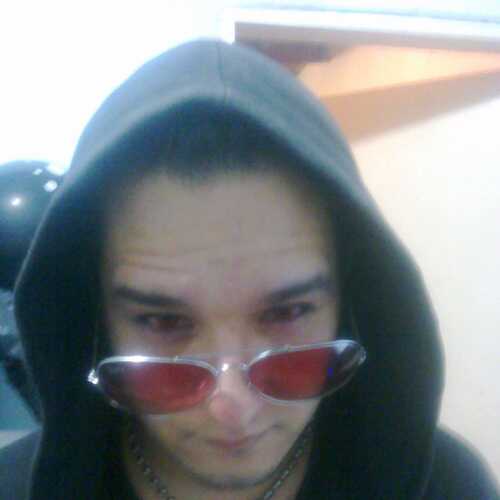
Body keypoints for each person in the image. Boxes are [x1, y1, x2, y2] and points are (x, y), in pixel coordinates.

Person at [0, 40, 498, 500]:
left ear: (350, 304)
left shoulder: (445, 486)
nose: (231, 409)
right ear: (94, 317)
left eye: (289, 311)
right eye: (162, 321)